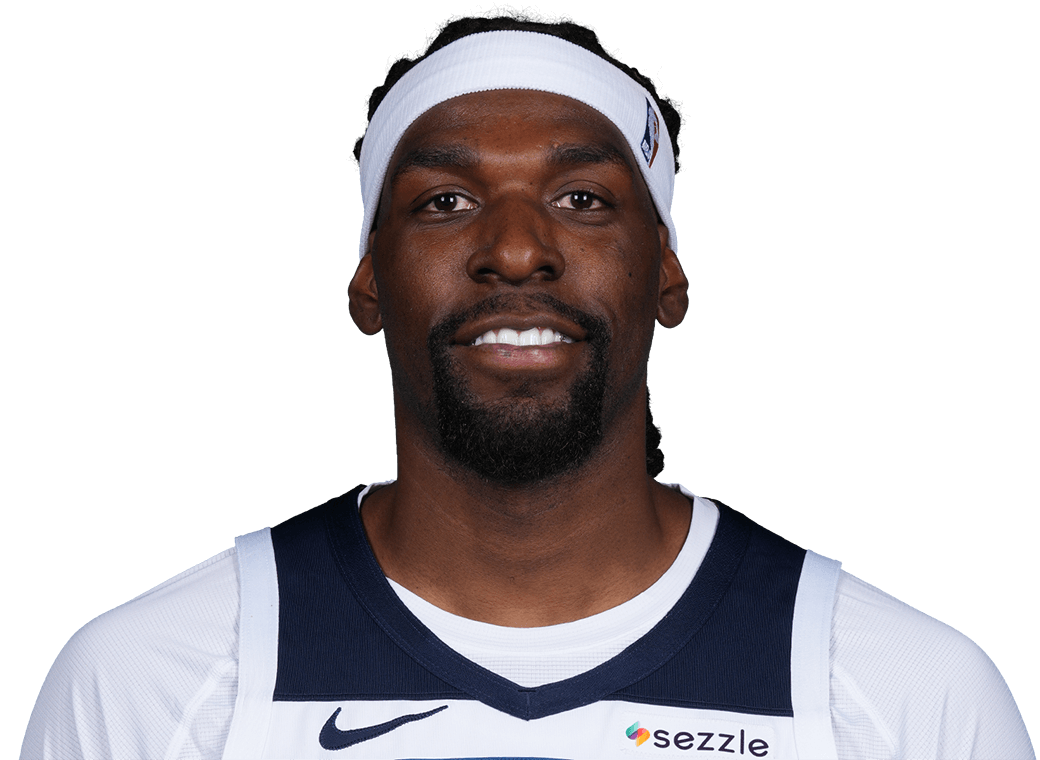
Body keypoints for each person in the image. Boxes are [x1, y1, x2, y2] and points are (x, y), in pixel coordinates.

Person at [21, 8, 1034, 760]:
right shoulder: (153, 682)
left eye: (582, 198)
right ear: (368, 280)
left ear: (667, 273)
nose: (514, 249)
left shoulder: (904, 696)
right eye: (446, 201)